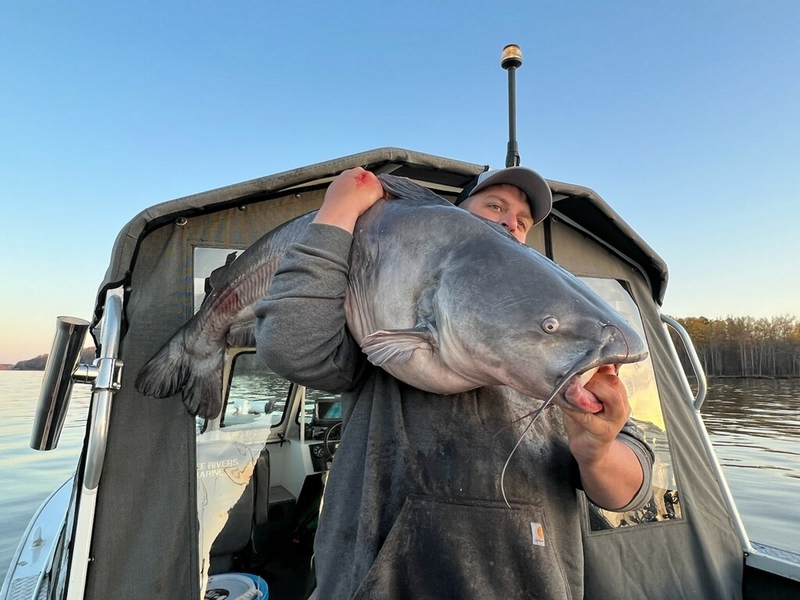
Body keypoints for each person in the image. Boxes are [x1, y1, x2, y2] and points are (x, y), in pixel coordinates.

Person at [254, 166, 654, 599]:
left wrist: (596, 451)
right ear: (451, 217)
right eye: (495, 206)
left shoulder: (573, 358)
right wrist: (339, 210)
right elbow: (289, 346)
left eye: (523, 222)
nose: (509, 223)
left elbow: (629, 493)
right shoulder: (381, 324)